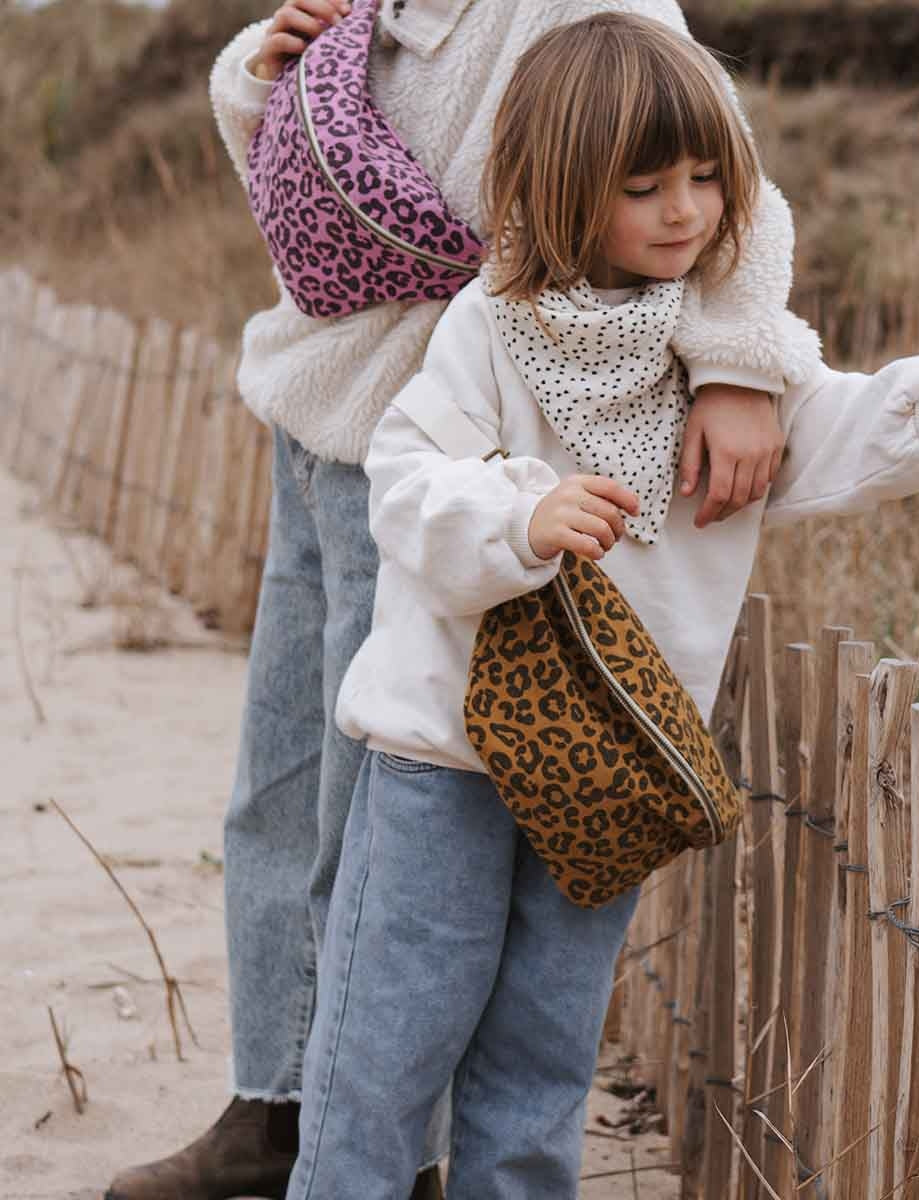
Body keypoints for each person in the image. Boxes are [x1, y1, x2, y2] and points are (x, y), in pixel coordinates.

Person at [284, 12, 919, 1198]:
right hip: (444, 755)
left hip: (615, 771)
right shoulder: (491, 324)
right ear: (562, 190)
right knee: (384, 1049)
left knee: (542, 1063)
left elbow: (833, 430)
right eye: (645, 187)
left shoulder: (734, 356)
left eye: (703, 179)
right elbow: (406, 481)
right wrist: (520, 518)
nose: (684, 211)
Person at [104, 0, 818, 1196]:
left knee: (374, 829)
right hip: (322, 415)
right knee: (274, 800)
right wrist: (272, 79)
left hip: (459, 441)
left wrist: (743, 367)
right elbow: (313, 207)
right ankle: (278, 1102)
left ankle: (391, 1151)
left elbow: (725, 176)